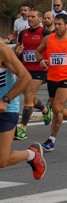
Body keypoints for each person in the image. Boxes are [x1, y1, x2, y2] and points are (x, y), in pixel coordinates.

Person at [35, 13, 67, 151]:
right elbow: (38, 52)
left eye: (60, 24)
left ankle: (51, 140)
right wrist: (41, 60)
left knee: (57, 108)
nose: (57, 27)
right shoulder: (48, 39)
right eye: (56, 24)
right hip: (52, 77)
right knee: (55, 108)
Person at [0, 41, 46, 180]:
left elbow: (25, 77)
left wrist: (5, 100)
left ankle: (32, 155)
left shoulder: (2, 49)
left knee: (2, 160)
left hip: (6, 109)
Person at [13, 10, 52, 140]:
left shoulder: (45, 33)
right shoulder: (23, 33)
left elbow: (55, 47)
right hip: (25, 70)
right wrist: (17, 52)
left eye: (33, 16)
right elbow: (17, 49)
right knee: (29, 96)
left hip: (41, 69)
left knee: (28, 95)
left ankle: (22, 129)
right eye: (28, 16)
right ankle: (45, 110)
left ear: (40, 19)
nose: (29, 18)